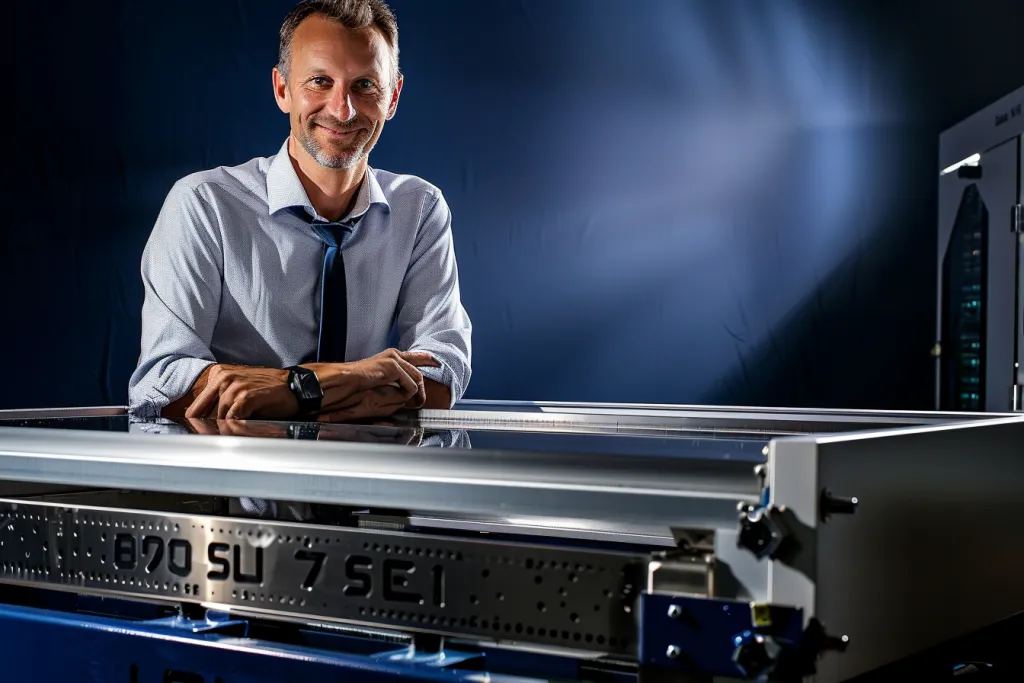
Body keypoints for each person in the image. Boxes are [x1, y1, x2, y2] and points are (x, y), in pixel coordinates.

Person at [128, 0, 471, 423]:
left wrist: (291, 390)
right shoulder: (204, 204)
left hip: (365, 480)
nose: (342, 110)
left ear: (393, 97)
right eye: (320, 81)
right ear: (282, 89)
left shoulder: (419, 208)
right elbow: (164, 383)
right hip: (234, 483)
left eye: (364, 85)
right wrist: (359, 380)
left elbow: (442, 375)